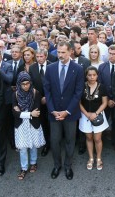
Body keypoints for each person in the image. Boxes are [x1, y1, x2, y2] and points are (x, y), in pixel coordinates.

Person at [43, 41, 85, 180]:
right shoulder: (50, 68)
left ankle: (68, 166)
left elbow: (78, 93)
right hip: (54, 112)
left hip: (70, 113)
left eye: (63, 52)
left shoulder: (78, 69)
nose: (60, 55)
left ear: (70, 52)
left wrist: (67, 111)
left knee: (70, 140)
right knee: (54, 141)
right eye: (58, 52)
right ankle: (57, 165)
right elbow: (47, 91)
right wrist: (52, 110)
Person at [12, 72, 45, 180]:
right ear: (19, 84)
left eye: (28, 83)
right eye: (23, 84)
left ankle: (33, 163)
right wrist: (30, 113)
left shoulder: (35, 93)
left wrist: (22, 113)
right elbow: (15, 113)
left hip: (33, 124)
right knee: (22, 147)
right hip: (21, 125)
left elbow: (37, 111)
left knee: (33, 145)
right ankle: (24, 168)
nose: (26, 86)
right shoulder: (15, 94)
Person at [78, 67, 109, 171]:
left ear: (97, 75)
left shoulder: (102, 87)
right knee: (89, 138)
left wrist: (95, 113)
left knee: (97, 139)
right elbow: (78, 103)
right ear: (86, 76)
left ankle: (99, 158)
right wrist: (87, 114)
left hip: (98, 115)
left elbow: (105, 103)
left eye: (94, 75)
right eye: (89, 75)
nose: (92, 77)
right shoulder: (81, 86)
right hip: (85, 115)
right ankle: (91, 158)